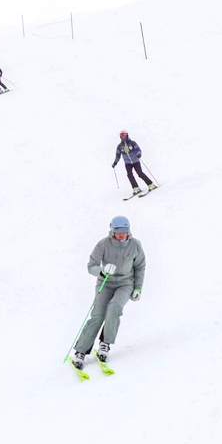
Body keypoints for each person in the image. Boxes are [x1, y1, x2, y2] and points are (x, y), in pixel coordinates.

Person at [72, 216, 145, 369]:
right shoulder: (103, 244)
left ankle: (105, 343)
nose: (121, 234)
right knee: (98, 315)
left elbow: (139, 267)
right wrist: (101, 271)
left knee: (114, 308)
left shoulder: (135, 245)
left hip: (125, 284)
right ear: (112, 230)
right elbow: (91, 265)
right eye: (118, 231)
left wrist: (138, 288)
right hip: (106, 283)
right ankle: (81, 351)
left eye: (124, 231)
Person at [112, 130, 157, 196]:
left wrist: (138, 154)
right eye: (121, 136)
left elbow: (138, 150)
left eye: (124, 136)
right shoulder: (120, 146)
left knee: (140, 173)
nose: (123, 138)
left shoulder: (132, 143)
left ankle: (151, 184)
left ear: (127, 135)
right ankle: (136, 188)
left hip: (135, 161)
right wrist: (115, 162)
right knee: (129, 175)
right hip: (127, 163)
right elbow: (118, 155)